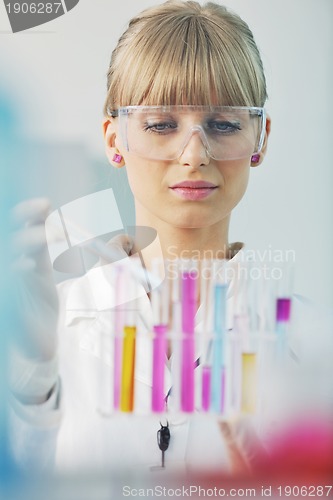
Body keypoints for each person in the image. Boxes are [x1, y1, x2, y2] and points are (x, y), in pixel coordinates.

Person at [11, 0, 331, 479]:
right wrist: (28, 377)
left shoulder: (307, 339)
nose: (194, 154)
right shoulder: (50, 327)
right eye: (161, 124)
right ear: (114, 139)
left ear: (260, 138)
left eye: (224, 124)